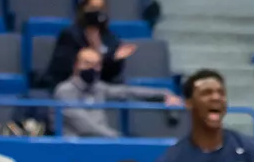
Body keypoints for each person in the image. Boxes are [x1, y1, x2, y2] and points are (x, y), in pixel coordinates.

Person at [54, 46, 182, 137]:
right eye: (87, 63)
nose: (92, 69)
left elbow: (128, 92)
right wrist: (115, 136)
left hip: (103, 143)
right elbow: (83, 124)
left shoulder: (99, 87)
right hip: (73, 146)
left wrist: (164, 94)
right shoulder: (64, 91)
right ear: (76, 65)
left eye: (96, 65)